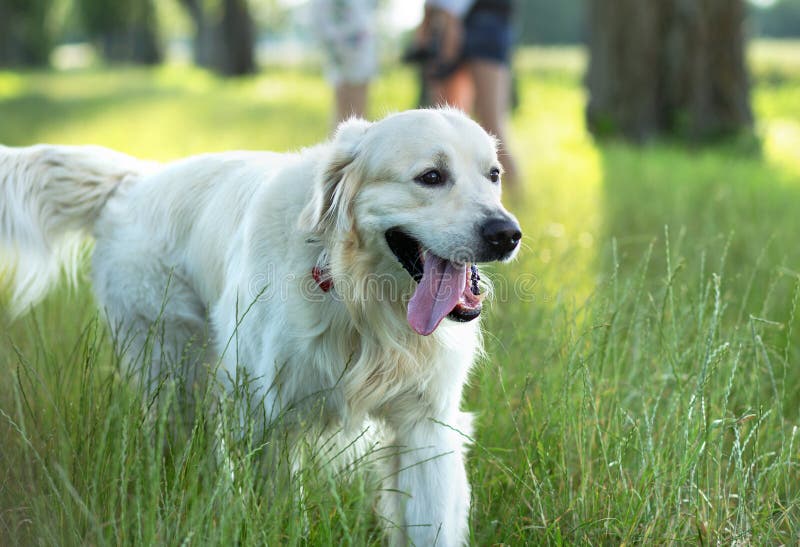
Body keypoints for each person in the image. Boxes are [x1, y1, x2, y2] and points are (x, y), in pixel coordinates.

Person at [415, 0, 519, 187]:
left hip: (478, 16)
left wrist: (448, 18)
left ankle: (521, 203)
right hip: (449, 20)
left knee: (490, 125)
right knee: (447, 131)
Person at [311, 0, 378, 125]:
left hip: (359, 46)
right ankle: (345, 139)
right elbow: (320, 19)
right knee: (344, 102)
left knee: (358, 103)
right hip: (340, 47)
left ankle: (356, 138)